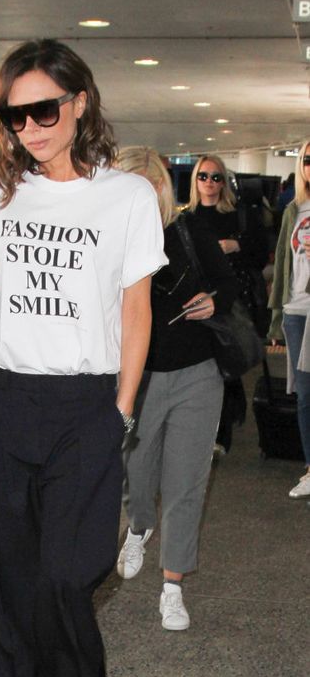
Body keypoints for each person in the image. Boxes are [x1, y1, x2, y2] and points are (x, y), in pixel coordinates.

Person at [0, 39, 167, 677]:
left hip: (84, 407)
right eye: (15, 116)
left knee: (65, 578)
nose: (29, 128)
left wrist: (121, 410)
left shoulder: (127, 197)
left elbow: (136, 310)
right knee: (4, 586)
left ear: (80, 103)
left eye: (44, 110)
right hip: (3, 400)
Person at [115, 147, 237, 630]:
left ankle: (172, 587)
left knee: (187, 482)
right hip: (138, 378)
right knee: (137, 471)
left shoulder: (189, 230)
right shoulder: (110, 241)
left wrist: (213, 300)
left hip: (196, 374)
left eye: (152, 190)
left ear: (164, 191)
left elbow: (228, 283)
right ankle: (139, 526)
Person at [186, 154, 268, 454]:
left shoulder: (239, 216)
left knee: (225, 361)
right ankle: (216, 425)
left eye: (215, 177)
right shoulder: (186, 218)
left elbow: (261, 256)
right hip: (198, 301)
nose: (209, 182)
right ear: (195, 180)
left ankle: (221, 433)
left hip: (234, 302)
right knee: (207, 366)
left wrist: (237, 246)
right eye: (203, 176)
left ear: (224, 182)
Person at [268, 140, 310, 498]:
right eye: (308, 159)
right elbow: (283, 265)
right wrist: (276, 321)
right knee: (305, 396)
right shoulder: (293, 210)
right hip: (296, 312)